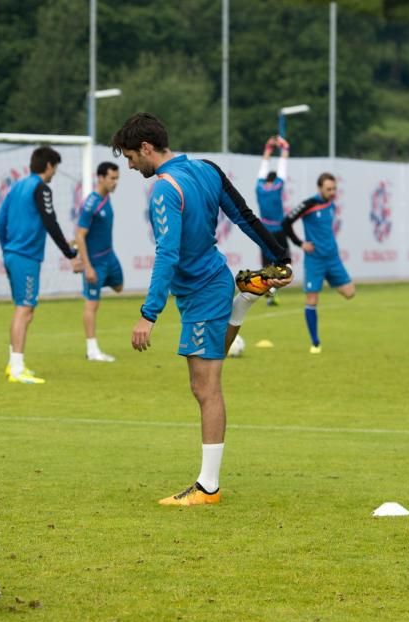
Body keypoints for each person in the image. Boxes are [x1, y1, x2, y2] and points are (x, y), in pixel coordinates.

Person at [110, 112, 292, 507]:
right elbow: (243, 214)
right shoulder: (206, 169)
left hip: (202, 290)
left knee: (205, 387)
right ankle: (243, 299)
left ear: (146, 148)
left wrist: (149, 312)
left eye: (129, 157)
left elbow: (167, 253)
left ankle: (208, 486)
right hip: (211, 283)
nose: (129, 166)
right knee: (208, 368)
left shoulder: (164, 188)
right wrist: (280, 253)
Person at [0, 146, 82, 384]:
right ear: (48, 166)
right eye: (54, 168)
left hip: (13, 254)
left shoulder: (17, 187)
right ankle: (16, 368)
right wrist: (70, 253)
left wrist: (7, 247)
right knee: (24, 309)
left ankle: (14, 362)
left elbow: (0, 220)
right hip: (26, 256)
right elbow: (50, 221)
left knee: (24, 310)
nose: (54, 173)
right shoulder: (41, 187)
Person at [282, 172, 355, 354]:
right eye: (329, 189)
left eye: (334, 189)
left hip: (332, 258)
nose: (332, 192)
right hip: (315, 260)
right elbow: (286, 222)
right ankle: (315, 342)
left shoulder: (331, 204)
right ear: (319, 188)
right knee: (312, 299)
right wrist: (301, 243)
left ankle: (329, 279)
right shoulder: (309, 204)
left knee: (349, 293)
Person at [76, 161, 123, 362]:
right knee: (92, 304)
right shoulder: (91, 204)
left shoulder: (106, 198)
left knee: (120, 286)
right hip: (95, 262)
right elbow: (79, 235)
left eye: (117, 178)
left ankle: (92, 277)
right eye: (112, 178)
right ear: (101, 178)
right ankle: (92, 349)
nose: (115, 182)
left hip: (109, 257)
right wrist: (87, 266)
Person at [254, 135, 290, 306]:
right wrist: (285, 148)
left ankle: (269, 290)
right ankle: (273, 290)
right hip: (278, 231)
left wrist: (268, 149)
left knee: (267, 263)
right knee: (283, 262)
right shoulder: (277, 187)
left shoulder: (259, 188)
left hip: (263, 231)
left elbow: (263, 168)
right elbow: (282, 169)